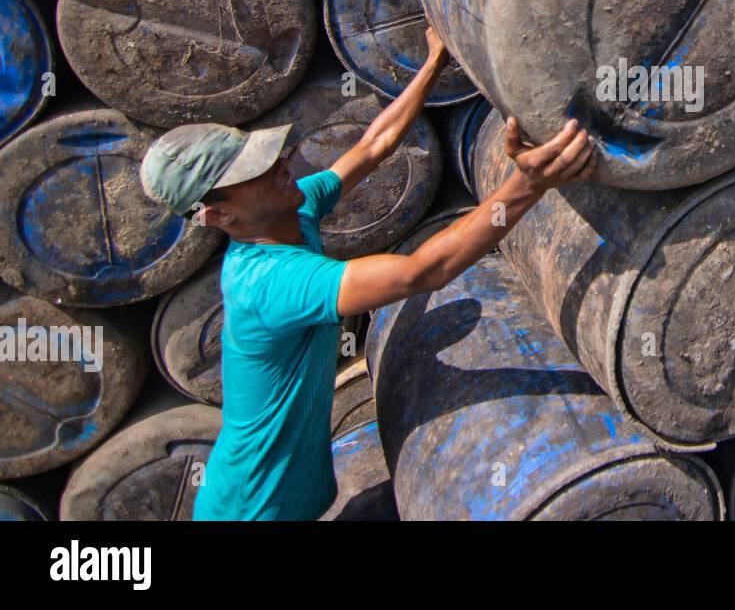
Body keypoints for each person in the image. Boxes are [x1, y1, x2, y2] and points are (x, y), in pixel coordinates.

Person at [138, 28, 595, 520]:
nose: (278, 163)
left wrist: (434, 62)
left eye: (265, 153)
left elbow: (374, 144)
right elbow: (424, 271)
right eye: (253, 169)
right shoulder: (269, 282)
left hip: (284, 500)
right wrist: (528, 185)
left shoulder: (292, 211)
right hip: (251, 509)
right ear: (219, 215)